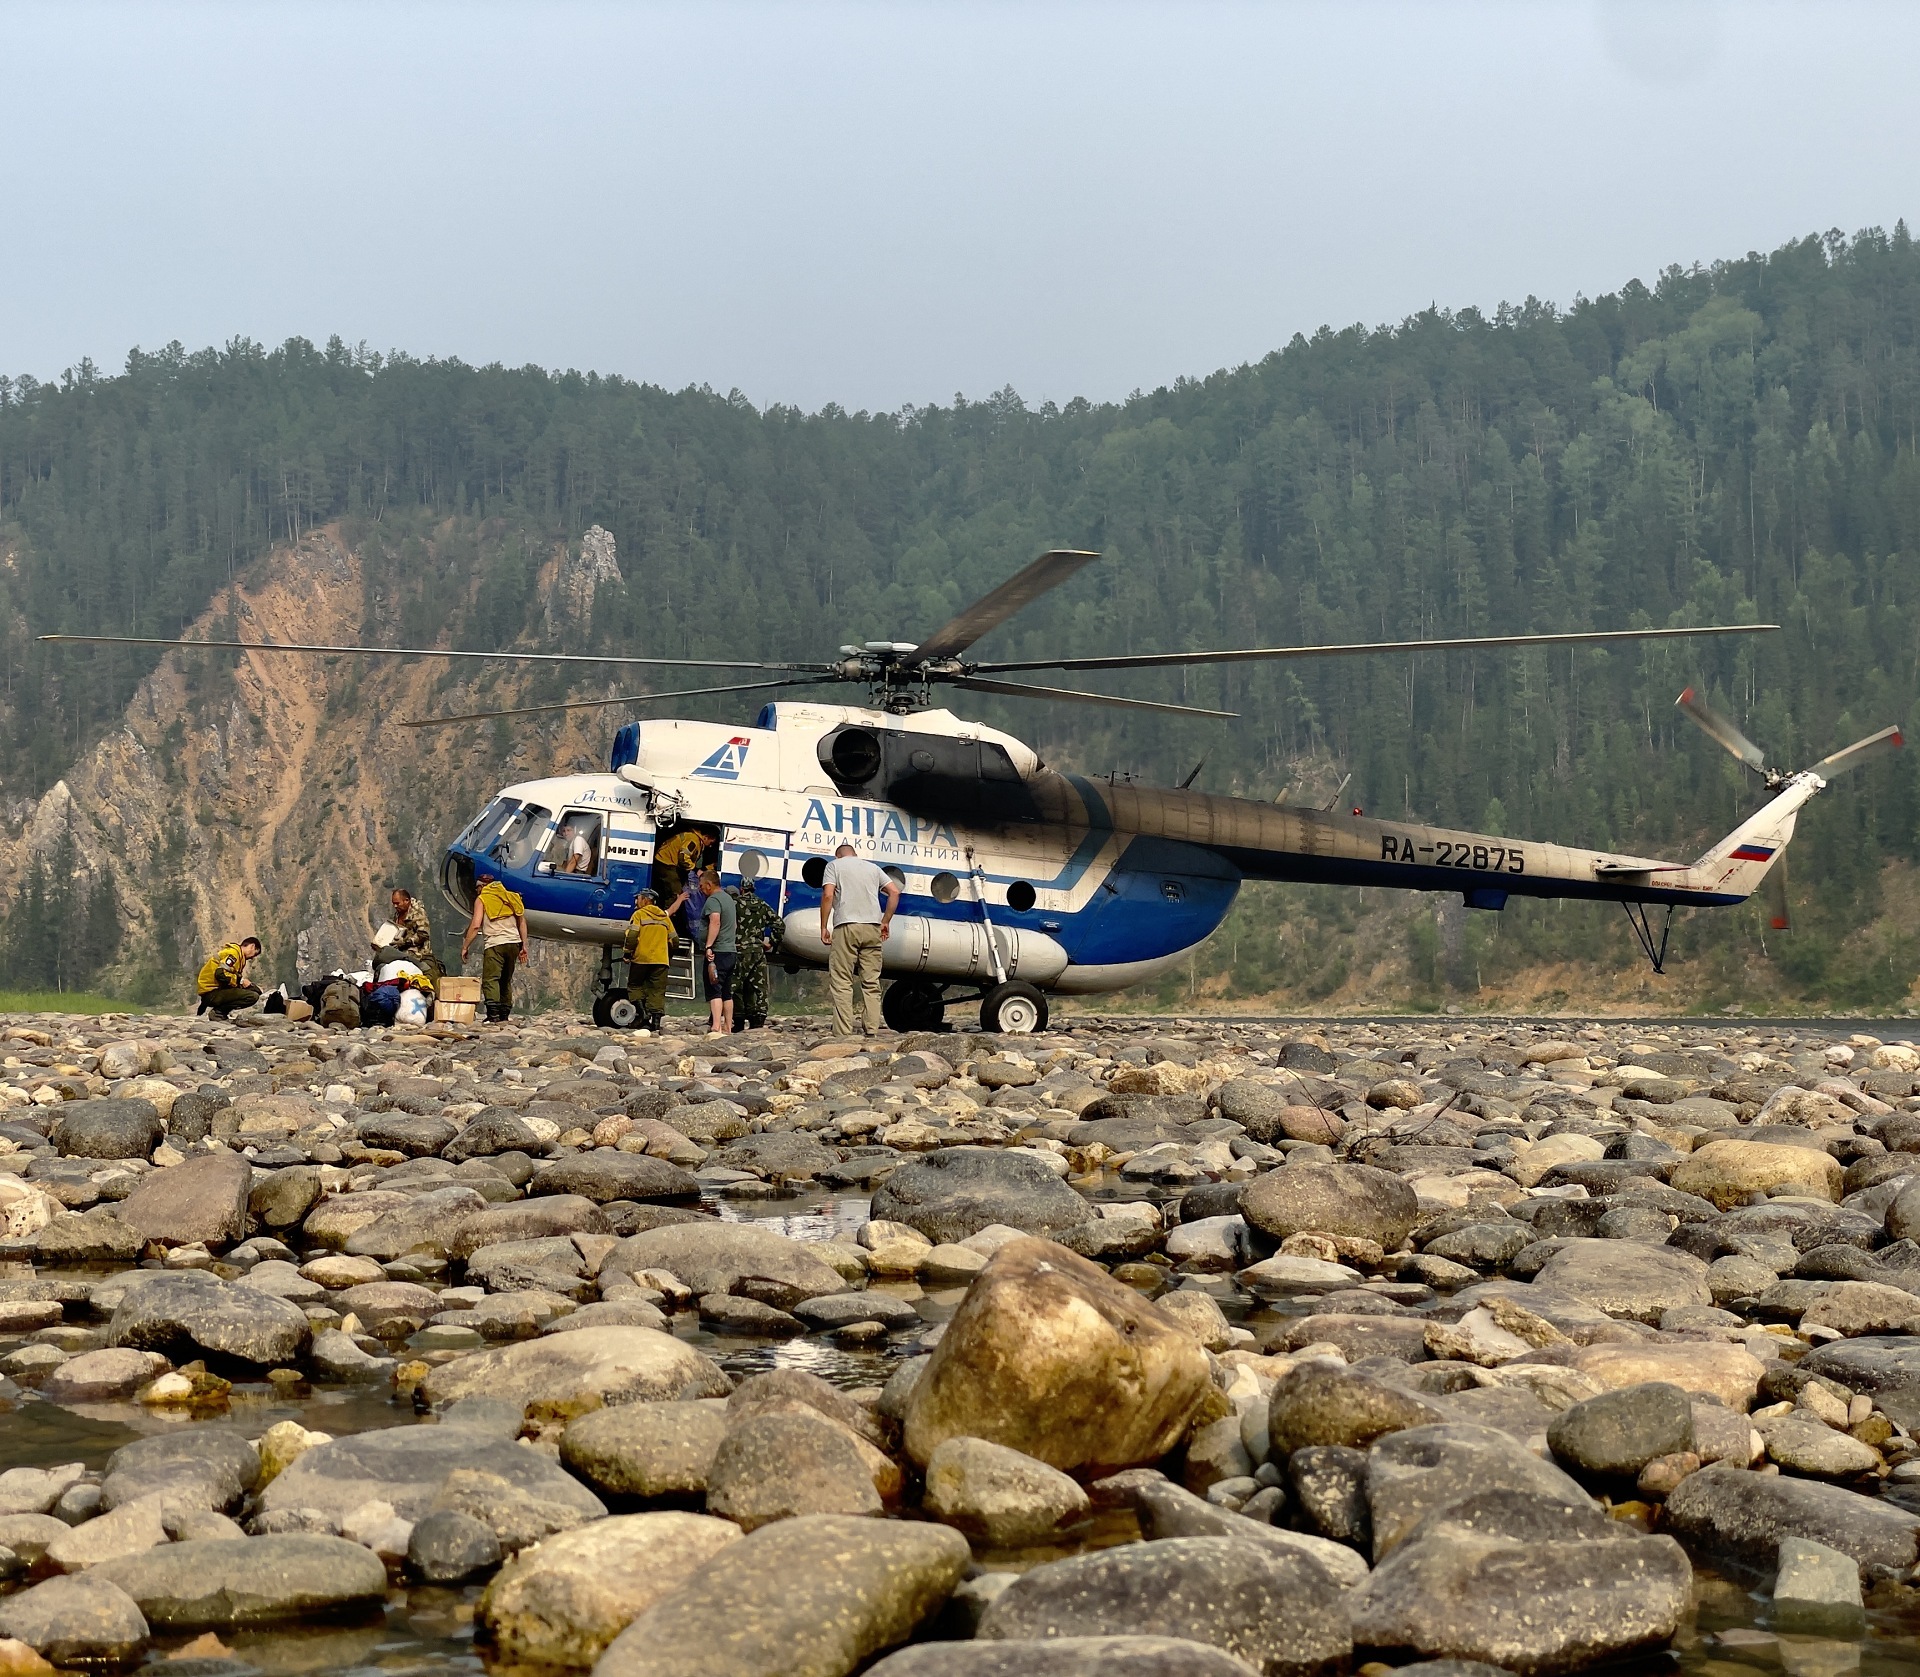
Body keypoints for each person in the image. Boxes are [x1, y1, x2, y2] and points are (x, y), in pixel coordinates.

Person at [818, 844, 899, 1036]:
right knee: (871, 981)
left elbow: (828, 894)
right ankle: (871, 1029)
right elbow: (895, 892)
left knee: (842, 980)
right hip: (872, 927)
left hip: (847, 925)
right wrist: (885, 921)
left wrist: (823, 926)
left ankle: (843, 1032)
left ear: (838, 856)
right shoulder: (873, 868)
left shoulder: (834, 866)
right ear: (855, 853)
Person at [462, 871, 529, 1022]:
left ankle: (493, 1015)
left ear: (481, 887)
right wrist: (524, 945)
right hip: (514, 943)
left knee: (491, 979)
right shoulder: (511, 897)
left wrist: (466, 946)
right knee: (506, 980)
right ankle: (504, 1015)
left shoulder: (482, 899)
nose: (477, 891)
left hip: (495, 944)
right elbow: (522, 922)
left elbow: (476, 925)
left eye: (477, 888)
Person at [621, 886, 681, 1031]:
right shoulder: (665, 918)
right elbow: (675, 940)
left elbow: (632, 935)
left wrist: (627, 953)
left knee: (635, 986)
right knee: (657, 991)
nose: (636, 901)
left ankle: (642, 1015)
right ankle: (655, 1024)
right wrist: (667, 954)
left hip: (642, 959)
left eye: (638, 898)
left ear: (645, 900)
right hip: (661, 961)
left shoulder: (639, 915)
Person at [730, 881, 781, 1030]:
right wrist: (771, 942)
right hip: (758, 951)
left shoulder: (735, 904)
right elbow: (779, 924)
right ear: (753, 888)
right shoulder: (762, 904)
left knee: (736, 985)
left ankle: (738, 1018)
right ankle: (758, 1019)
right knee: (759, 987)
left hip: (740, 949)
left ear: (741, 889)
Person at [698, 866, 736, 1036]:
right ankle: (728, 1026)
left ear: (709, 884)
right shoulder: (729, 899)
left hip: (718, 951)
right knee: (727, 991)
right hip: (730, 951)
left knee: (714, 989)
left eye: (701, 886)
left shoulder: (713, 900)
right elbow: (734, 925)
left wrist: (708, 946)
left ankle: (716, 1026)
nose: (700, 889)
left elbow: (715, 921)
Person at [382, 888, 443, 988]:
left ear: (406, 901)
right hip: (402, 953)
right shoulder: (398, 914)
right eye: (394, 904)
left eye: (397, 903)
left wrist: (405, 942)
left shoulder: (417, 913)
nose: (395, 906)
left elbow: (423, 934)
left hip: (420, 955)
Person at [652, 827, 708, 935]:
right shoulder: (693, 840)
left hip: (666, 861)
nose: (710, 845)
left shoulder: (693, 838)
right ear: (705, 837)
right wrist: (695, 870)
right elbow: (683, 857)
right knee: (675, 893)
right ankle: (664, 924)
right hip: (665, 862)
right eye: (711, 842)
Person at [196, 936, 262, 1017]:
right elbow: (220, 974)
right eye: (255, 953)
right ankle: (218, 1013)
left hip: (212, 992)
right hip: (212, 992)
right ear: (252, 946)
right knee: (252, 996)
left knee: (253, 991)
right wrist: (241, 981)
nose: (252, 957)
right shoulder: (234, 954)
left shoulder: (238, 955)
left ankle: (219, 1012)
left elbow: (229, 976)